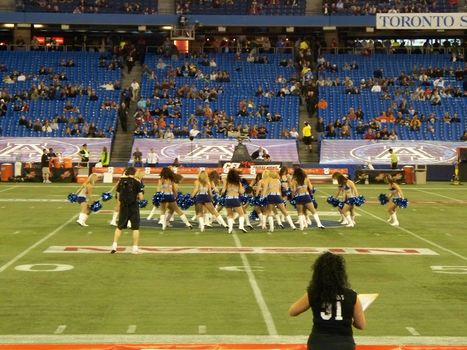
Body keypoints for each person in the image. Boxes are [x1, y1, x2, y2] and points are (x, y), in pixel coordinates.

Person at [288, 252, 366, 350]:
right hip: (344, 344)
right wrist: (351, 320)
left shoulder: (314, 293)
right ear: (341, 273)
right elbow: (361, 325)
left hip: (318, 343)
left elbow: (292, 311)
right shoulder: (351, 295)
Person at [110, 167, 144, 254]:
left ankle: (114, 246)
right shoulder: (137, 182)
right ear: (134, 173)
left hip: (123, 206)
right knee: (135, 228)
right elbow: (141, 197)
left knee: (119, 227)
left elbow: (118, 195)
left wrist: (119, 204)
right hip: (133, 206)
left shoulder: (121, 181)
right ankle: (135, 248)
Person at [221, 168, 248, 234]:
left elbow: (223, 191)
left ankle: (230, 229)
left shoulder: (227, 181)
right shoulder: (238, 182)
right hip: (235, 199)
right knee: (241, 214)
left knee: (229, 215)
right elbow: (241, 192)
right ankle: (241, 226)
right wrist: (243, 189)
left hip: (228, 199)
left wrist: (222, 193)